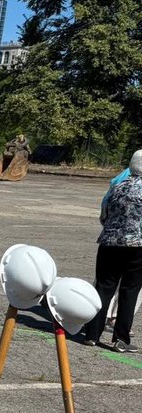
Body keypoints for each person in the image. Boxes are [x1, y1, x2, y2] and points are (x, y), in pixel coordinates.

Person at [81, 148, 142, 354]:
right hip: (137, 246)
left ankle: (91, 333)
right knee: (129, 291)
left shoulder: (117, 186)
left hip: (109, 243)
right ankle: (121, 339)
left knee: (104, 287)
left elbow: (103, 214)